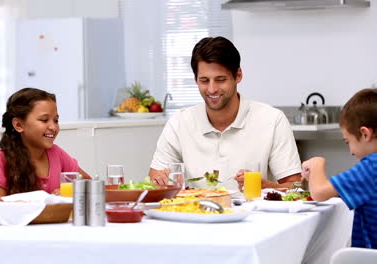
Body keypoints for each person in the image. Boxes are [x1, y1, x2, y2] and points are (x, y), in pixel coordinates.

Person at [149, 36, 302, 191]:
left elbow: (296, 187)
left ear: (238, 75)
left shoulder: (272, 120)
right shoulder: (179, 122)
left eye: (220, 80)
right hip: (195, 212)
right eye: (204, 80)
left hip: (252, 214)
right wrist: (160, 181)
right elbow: (155, 178)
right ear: (195, 80)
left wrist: (265, 186)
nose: (212, 89)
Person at [0, 88, 91, 196]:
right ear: (18, 125)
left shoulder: (57, 154)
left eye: (56, 120)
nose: (53, 127)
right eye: (44, 120)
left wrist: (71, 191)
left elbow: (90, 185)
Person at [301, 88, 377, 249]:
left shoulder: (372, 166)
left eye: (348, 141)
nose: (351, 152)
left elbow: (319, 192)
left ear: (365, 134)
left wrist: (317, 164)